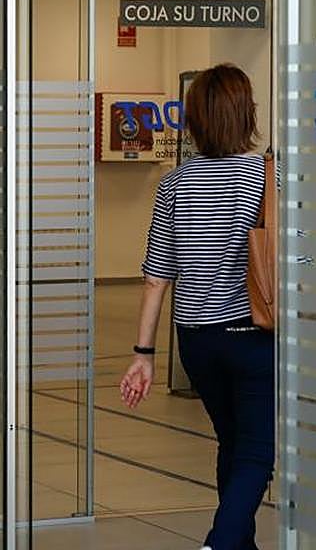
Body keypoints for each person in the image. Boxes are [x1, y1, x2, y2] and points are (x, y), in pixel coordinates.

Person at [119, 63, 274, 550]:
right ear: (246, 113)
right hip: (253, 336)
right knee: (257, 452)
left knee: (232, 441)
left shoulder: (175, 183)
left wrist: (143, 354)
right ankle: (219, 542)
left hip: (197, 342)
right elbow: (297, 257)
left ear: (194, 121)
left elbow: (156, 276)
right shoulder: (268, 177)